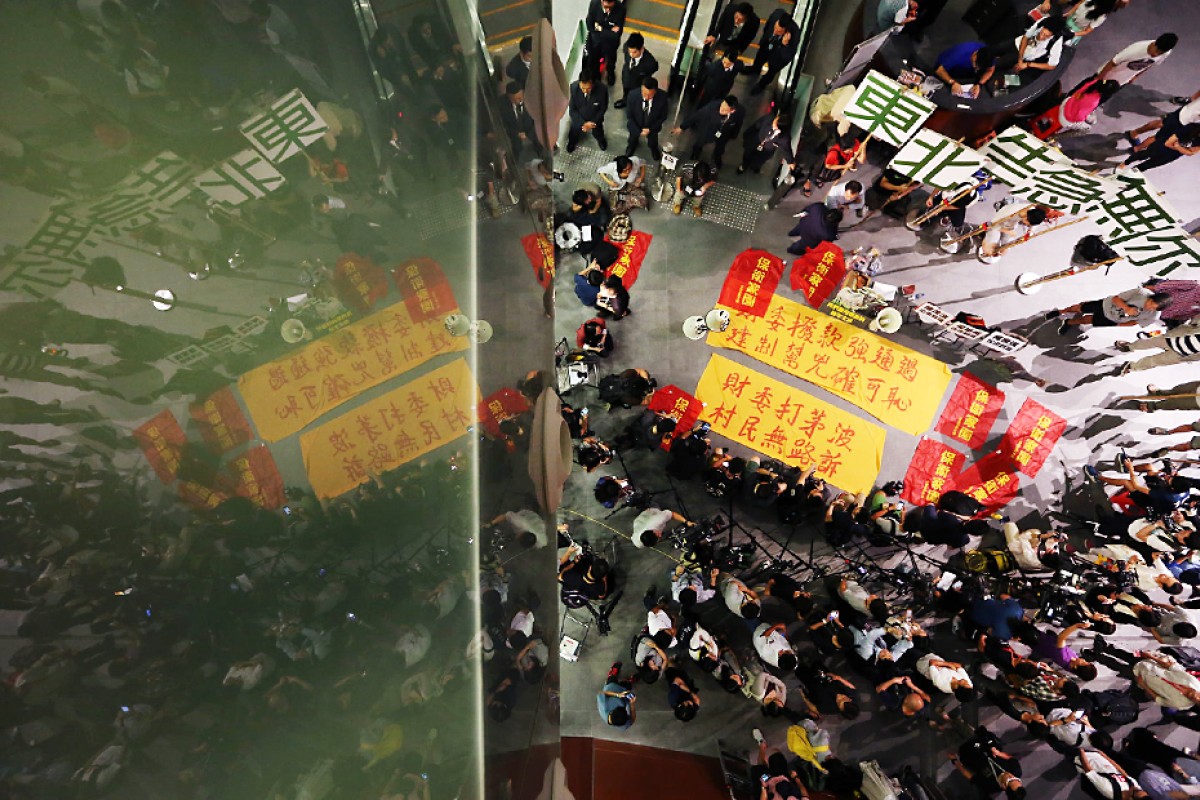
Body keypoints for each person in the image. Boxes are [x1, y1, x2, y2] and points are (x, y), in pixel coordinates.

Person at [1051, 288, 1170, 335]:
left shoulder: (1154, 316)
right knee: (1081, 307)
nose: (1150, 308)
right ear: (1151, 297)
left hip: (1114, 318)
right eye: (1151, 304)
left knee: (1088, 320)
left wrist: (1119, 324)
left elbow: (1135, 323)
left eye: (1154, 308)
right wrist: (1127, 308)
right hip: (1106, 304)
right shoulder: (1141, 293)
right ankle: (1062, 311)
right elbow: (1116, 299)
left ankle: (1069, 322)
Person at [673, 95, 745, 168]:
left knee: (720, 148)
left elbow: (738, 124)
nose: (721, 109)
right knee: (700, 142)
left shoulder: (740, 112)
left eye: (724, 110)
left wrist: (734, 134)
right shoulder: (712, 107)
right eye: (721, 106)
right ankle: (695, 153)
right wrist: (682, 127)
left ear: (732, 111)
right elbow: (697, 115)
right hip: (709, 129)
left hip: (724, 133)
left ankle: (717, 157)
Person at [1112, 320, 1200, 375]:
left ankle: (1131, 367)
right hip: (1174, 338)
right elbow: (1196, 320)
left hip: (1181, 354)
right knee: (1149, 341)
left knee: (1154, 361)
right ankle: (1129, 347)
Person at [1097, 33, 1177, 86]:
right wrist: (1098, 79)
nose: (1155, 55)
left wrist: (1135, 76)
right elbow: (1113, 62)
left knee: (1103, 97)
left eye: (1160, 53)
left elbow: (1149, 64)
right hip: (1107, 75)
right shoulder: (1135, 49)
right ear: (1155, 44)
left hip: (1121, 82)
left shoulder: (1166, 53)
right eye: (1157, 51)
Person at [750, 9, 800, 95]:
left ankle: (761, 85)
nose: (775, 31)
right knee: (760, 57)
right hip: (768, 45)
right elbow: (767, 27)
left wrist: (783, 45)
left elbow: (788, 56)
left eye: (779, 31)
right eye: (775, 28)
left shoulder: (794, 35)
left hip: (778, 57)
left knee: (771, 72)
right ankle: (755, 69)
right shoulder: (776, 14)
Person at [1011, 16, 1069, 84]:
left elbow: (1052, 66)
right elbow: (1026, 37)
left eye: (1046, 36)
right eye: (1042, 33)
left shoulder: (1057, 42)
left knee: (1019, 81)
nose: (1041, 37)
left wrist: (1027, 64)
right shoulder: (1042, 22)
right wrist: (1020, 60)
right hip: (1022, 48)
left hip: (1032, 59)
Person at [979, 203, 1049, 259]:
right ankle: (984, 246)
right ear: (1026, 217)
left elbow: (1035, 224)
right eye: (1027, 224)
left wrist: (1030, 232)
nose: (1027, 225)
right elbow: (993, 225)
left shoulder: (1033, 211)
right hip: (998, 223)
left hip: (1011, 225)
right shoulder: (1010, 212)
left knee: (1006, 248)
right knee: (990, 244)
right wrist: (1006, 231)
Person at [1123, 123, 1200, 173]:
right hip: (1161, 145)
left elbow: (1191, 152)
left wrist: (1178, 146)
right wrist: (1182, 149)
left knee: (1148, 165)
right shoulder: (1191, 127)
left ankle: (1129, 174)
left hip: (1171, 155)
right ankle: (1125, 163)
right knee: (1143, 154)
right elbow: (1168, 143)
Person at [624, 76, 668, 160]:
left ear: (655, 91)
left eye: (650, 95)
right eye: (644, 93)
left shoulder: (662, 97)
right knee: (632, 139)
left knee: (653, 141)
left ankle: (653, 149)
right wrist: (638, 130)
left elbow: (663, 116)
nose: (646, 98)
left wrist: (650, 129)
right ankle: (631, 146)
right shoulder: (632, 95)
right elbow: (629, 115)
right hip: (636, 124)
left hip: (652, 126)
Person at [739, 110, 795, 176]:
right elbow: (756, 125)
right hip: (756, 140)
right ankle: (744, 165)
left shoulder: (784, 138)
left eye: (775, 124)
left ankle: (755, 167)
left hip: (766, 150)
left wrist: (790, 162)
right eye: (775, 120)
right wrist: (746, 135)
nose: (773, 123)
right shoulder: (768, 119)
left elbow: (787, 149)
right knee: (747, 154)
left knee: (759, 160)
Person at [567, 71, 609, 153]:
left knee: (598, 132)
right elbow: (572, 109)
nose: (585, 91)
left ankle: (601, 140)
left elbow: (602, 109)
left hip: (595, 118)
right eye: (583, 88)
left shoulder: (602, 90)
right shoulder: (573, 88)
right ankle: (571, 142)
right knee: (574, 132)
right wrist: (583, 123)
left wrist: (592, 122)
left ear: (593, 84)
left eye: (588, 88)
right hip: (579, 117)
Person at [585, 0, 625, 85]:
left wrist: (600, 29)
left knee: (611, 61)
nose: (607, 10)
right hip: (596, 42)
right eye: (605, 7)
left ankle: (610, 74)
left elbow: (616, 35)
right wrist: (609, 31)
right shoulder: (594, 4)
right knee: (594, 61)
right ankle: (596, 77)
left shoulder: (621, 9)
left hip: (611, 44)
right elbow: (589, 25)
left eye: (610, 8)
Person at [617, 33, 658, 109]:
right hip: (626, 76)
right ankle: (625, 100)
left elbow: (654, 69)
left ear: (642, 49)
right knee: (626, 90)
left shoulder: (650, 63)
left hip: (638, 84)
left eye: (634, 52)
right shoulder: (626, 47)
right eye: (630, 52)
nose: (631, 54)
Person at [501, 81, 541, 157]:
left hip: (532, 132)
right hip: (514, 136)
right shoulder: (502, 104)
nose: (518, 101)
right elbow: (502, 124)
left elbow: (538, 121)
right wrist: (516, 134)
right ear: (508, 97)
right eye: (514, 99)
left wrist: (528, 135)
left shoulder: (532, 100)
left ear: (523, 93)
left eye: (520, 98)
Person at [597, 661, 637, 729]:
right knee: (628, 685)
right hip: (624, 694)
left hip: (611, 688)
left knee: (612, 678)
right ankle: (628, 681)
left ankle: (612, 673)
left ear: (612, 711)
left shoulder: (603, 706)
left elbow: (601, 693)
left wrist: (618, 695)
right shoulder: (623, 724)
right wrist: (632, 705)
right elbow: (632, 720)